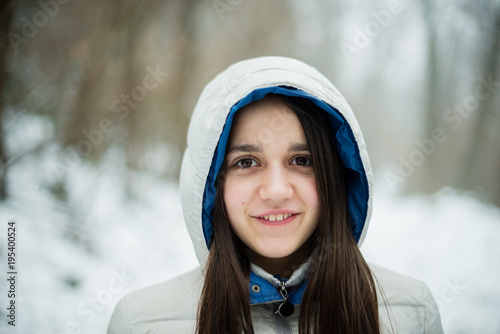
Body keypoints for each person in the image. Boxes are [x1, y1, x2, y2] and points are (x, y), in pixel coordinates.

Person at [107, 56, 444, 333]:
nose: (277, 191)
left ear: (336, 175)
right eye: (247, 162)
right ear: (212, 183)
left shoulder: (413, 314)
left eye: (302, 160)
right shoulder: (140, 323)